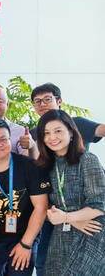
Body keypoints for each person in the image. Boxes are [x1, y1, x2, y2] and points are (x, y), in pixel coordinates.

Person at [29, 84, 105, 275]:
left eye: (58, 131)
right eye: (46, 133)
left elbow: (100, 204)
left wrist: (68, 218)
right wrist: (66, 220)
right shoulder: (45, 163)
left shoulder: (87, 160)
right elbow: (42, 203)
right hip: (61, 234)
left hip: (91, 232)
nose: (52, 137)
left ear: (71, 132)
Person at [0, 118, 50, 276]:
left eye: (3, 139)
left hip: (23, 236)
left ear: (10, 140)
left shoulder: (31, 167)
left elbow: (41, 208)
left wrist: (26, 245)